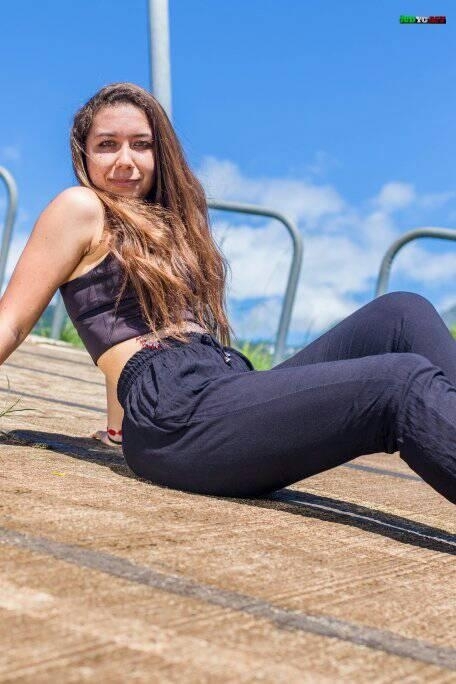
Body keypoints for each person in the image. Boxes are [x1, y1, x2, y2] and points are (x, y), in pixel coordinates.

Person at [1, 82, 455, 505]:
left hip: (218, 388)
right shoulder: (79, 207)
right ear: (84, 154)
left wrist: (116, 431)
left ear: (162, 152)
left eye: (141, 144)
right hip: (178, 417)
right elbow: (14, 321)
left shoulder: (166, 226)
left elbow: (117, 319)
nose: (126, 160)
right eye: (107, 145)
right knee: (398, 383)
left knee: (402, 312)